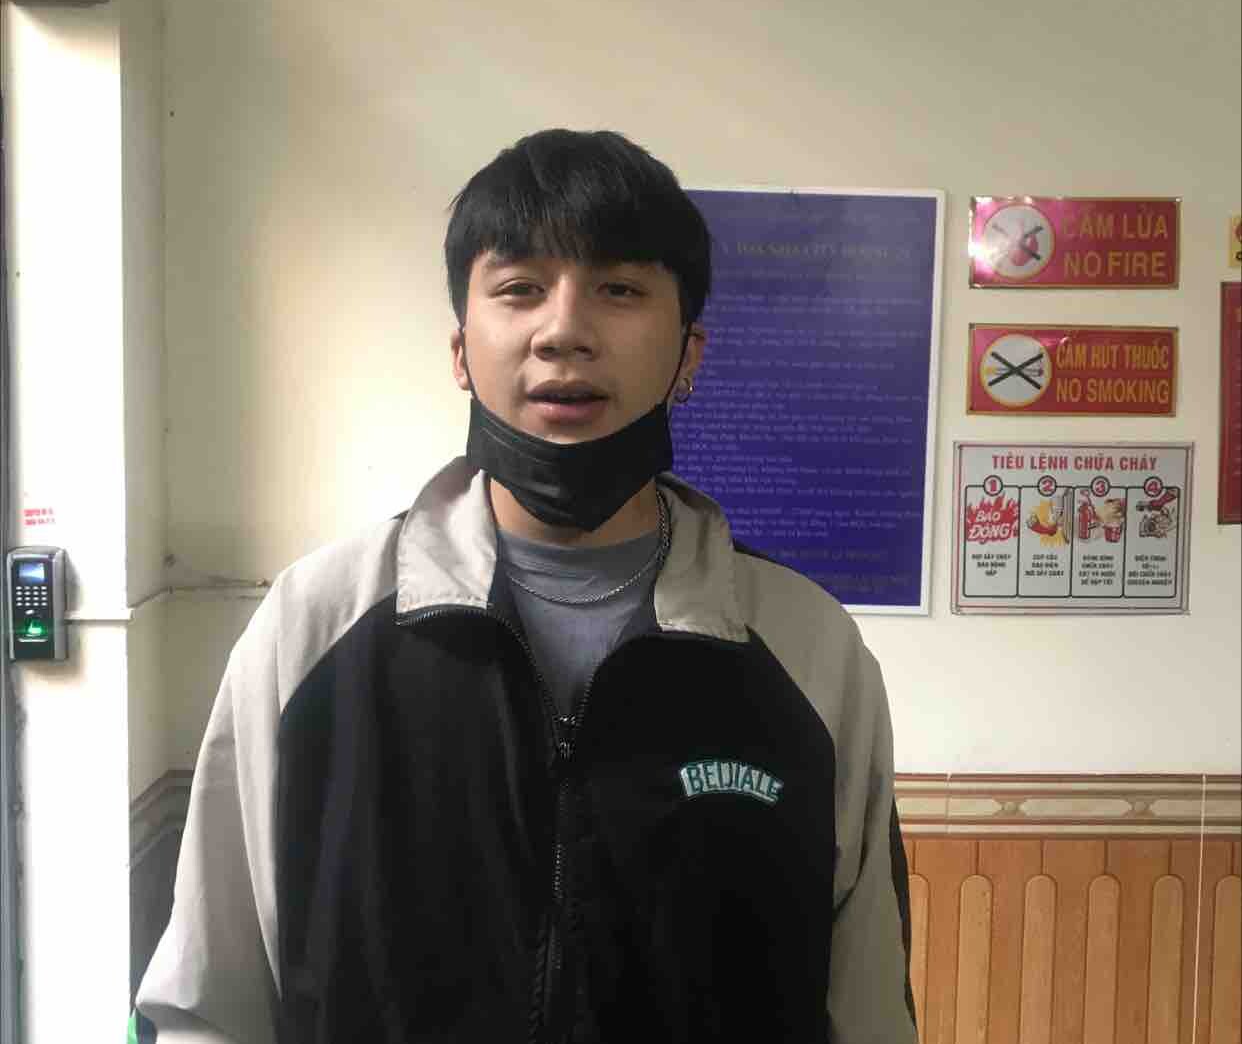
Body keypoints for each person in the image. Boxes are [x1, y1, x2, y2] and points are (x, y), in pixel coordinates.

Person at [135, 129, 916, 1042]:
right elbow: (211, 1001)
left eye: (620, 290)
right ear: (461, 350)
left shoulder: (807, 648)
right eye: (519, 289)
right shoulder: (315, 626)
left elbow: (867, 1006)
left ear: (689, 355)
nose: (564, 331)